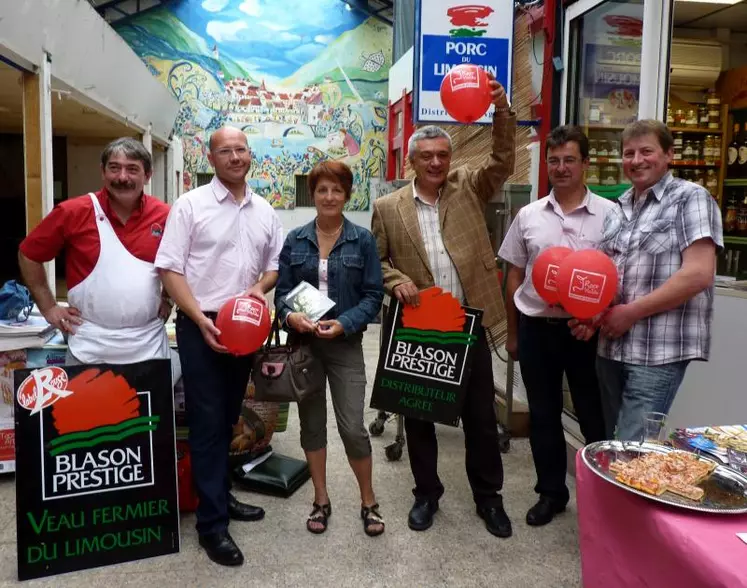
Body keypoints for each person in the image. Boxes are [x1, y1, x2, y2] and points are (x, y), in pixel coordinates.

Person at [371, 73, 515, 538]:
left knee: (479, 418)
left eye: (442, 155)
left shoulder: (469, 187)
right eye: (426, 156)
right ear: (410, 161)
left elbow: (502, 159)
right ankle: (426, 495)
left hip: (466, 325)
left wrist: (502, 112)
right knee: (419, 419)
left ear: (451, 159)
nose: (435, 162)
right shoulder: (389, 206)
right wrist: (396, 282)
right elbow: (378, 261)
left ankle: (489, 499)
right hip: (419, 327)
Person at [155, 127, 283, 567]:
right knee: (208, 424)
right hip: (201, 324)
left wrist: (254, 291)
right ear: (210, 158)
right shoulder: (190, 206)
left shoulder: (265, 210)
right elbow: (170, 270)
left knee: (229, 417)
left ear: (251, 155)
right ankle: (212, 527)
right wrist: (198, 320)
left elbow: (273, 269)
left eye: (241, 149)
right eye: (225, 151)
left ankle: (221, 496)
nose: (234, 157)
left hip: (245, 326)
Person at [574, 120, 722, 441]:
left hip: (657, 353)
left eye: (647, 151)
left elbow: (698, 273)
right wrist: (595, 316)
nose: (637, 160)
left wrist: (631, 313)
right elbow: (612, 278)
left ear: (668, 154)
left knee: (631, 449)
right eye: (629, 153)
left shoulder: (690, 198)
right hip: (611, 349)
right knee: (610, 445)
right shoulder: (619, 208)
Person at [498, 125, 613, 527]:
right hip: (536, 328)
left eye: (569, 160)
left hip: (587, 333)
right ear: (545, 165)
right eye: (554, 161)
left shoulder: (611, 216)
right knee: (544, 414)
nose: (561, 168)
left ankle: (604, 497)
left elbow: (622, 275)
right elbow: (513, 276)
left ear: (585, 163)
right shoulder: (528, 215)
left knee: (594, 416)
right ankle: (551, 493)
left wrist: (598, 317)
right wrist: (513, 333)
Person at [274, 161, 385, 537]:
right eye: (322, 189)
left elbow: (373, 295)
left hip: (345, 345)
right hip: (305, 347)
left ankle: (368, 500)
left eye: (337, 190)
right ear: (313, 194)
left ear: (347, 194)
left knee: (353, 426)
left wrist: (345, 322)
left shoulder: (362, 240)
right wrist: (292, 318)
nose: (329, 196)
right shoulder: (296, 239)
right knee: (312, 425)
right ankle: (320, 499)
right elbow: (282, 294)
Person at [18, 137, 172, 364]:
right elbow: (28, 254)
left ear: (147, 176)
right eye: (114, 168)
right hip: (88, 344)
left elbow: (180, 263)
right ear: (103, 172)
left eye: (132, 169)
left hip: (148, 343)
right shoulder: (73, 211)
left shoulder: (165, 215)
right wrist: (49, 307)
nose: (122, 177)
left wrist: (168, 297)